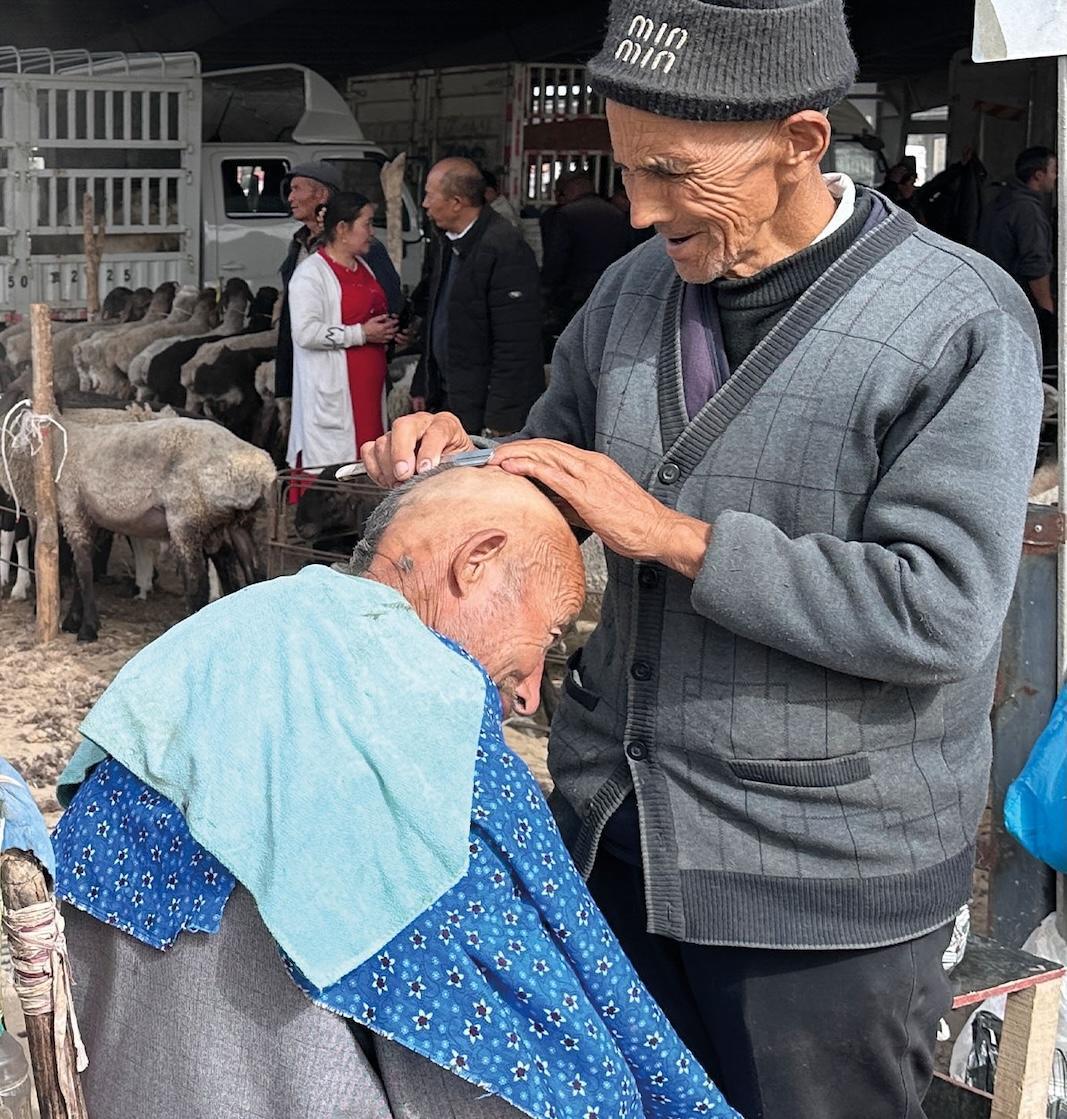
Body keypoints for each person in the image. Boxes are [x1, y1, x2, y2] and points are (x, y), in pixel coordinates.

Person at [361, 0, 1044, 1116]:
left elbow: (941, 611)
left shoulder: (955, 321)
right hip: (618, 843)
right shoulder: (635, 295)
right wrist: (463, 470)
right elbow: (561, 469)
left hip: (816, 893)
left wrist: (674, 537)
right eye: (625, 166)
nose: (637, 209)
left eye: (671, 171)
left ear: (799, 143)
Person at [53, 465, 739, 1119]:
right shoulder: (428, 696)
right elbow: (547, 1000)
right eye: (550, 633)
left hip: (122, 1070)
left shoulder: (222, 631)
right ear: (476, 561)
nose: (531, 689)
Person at [412, 158, 544, 436]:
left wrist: (500, 420)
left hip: (484, 409)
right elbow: (439, 316)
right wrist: (423, 384)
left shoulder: (505, 249)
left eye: (429, 195)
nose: (424, 204)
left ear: (456, 202)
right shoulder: (446, 242)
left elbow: (516, 345)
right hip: (451, 397)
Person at [286, 191, 397, 476]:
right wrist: (361, 334)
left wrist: (389, 331)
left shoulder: (365, 268)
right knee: (335, 464)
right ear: (343, 229)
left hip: (368, 391)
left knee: (368, 457)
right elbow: (305, 333)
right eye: (367, 224)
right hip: (334, 391)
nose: (372, 233)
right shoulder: (311, 274)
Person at [276, 161, 404, 400]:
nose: (290, 197)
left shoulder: (363, 250)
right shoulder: (299, 245)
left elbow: (390, 301)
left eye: (296, 189)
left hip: (349, 370)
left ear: (321, 194)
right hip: (306, 368)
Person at [977, 146, 1057, 361]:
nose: (1056, 176)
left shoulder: (1000, 201)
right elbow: (1035, 263)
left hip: (994, 296)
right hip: (1021, 301)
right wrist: (1047, 311)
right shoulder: (1027, 210)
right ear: (1039, 175)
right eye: (1054, 170)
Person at [540, 171, 633, 329]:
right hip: (612, 291)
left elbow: (556, 258)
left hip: (573, 295)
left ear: (569, 190)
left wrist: (546, 290)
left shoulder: (565, 214)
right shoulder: (616, 213)